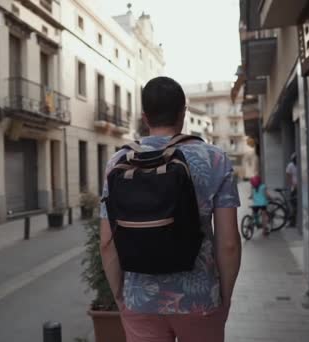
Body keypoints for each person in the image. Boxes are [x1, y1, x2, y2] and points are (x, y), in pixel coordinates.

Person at [100, 77, 241, 342]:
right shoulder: (214, 159)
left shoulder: (118, 162)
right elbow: (229, 243)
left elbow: (107, 243)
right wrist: (224, 295)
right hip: (199, 299)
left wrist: (121, 296)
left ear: (145, 116)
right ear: (183, 112)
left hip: (139, 298)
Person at [286, 152, 298, 226]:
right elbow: (288, 175)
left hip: (301, 187)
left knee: (295, 204)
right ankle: (292, 221)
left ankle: (293, 220)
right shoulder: (291, 165)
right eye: (294, 160)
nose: (295, 161)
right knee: (293, 204)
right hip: (294, 188)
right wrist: (292, 184)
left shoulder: (300, 165)